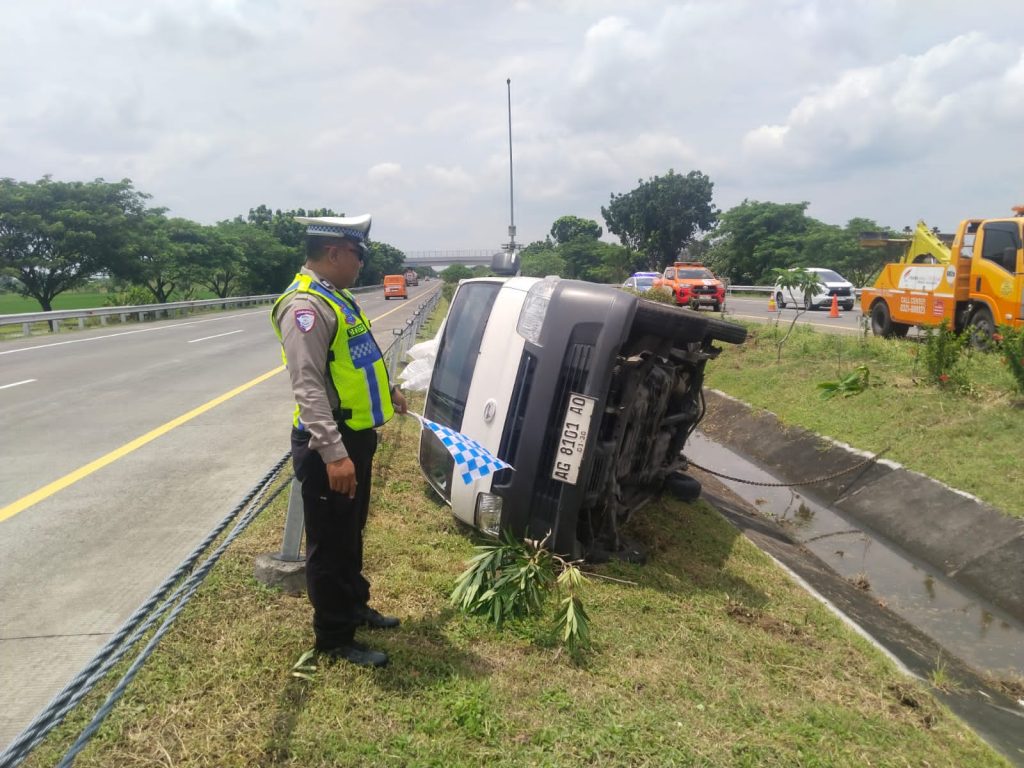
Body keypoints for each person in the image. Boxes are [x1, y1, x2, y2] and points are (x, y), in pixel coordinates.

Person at [271, 213, 408, 668]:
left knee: (350, 532)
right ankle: (333, 637)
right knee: (330, 542)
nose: (362, 263)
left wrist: (386, 391)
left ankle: (354, 605)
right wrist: (333, 453)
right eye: (358, 254)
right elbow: (308, 385)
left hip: (356, 435)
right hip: (331, 441)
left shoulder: (338, 298)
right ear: (334, 253)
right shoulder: (304, 308)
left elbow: (357, 359)